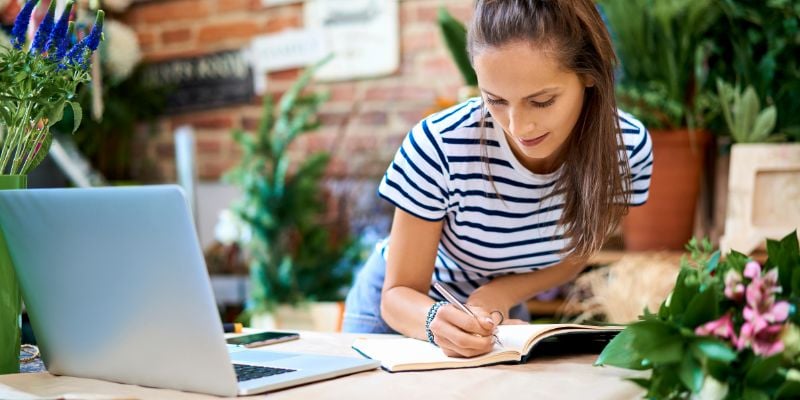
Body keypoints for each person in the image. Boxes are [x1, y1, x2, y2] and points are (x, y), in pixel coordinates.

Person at [342, 0, 653, 359]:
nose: (518, 127)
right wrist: (434, 320)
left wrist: (499, 295)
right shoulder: (440, 145)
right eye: (496, 101)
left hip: (496, 318)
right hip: (405, 317)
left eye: (542, 101)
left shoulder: (625, 149)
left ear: (589, 75)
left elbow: (576, 255)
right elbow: (396, 295)